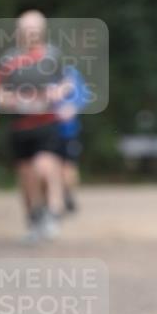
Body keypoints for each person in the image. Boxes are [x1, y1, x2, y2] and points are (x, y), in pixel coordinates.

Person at [0, 10, 72, 242]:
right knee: (27, 177)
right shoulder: (9, 60)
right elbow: (0, 93)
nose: (30, 34)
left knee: (44, 166)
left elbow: (68, 83)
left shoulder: (52, 56)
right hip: (21, 126)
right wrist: (11, 100)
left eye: (34, 29)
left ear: (41, 31)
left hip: (47, 124)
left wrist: (57, 93)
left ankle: (53, 209)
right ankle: (34, 219)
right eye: (25, 29)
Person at [56, 64, 90, 214]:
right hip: (45, 129)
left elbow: (83, 96)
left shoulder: (70, 72)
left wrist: (72, 108)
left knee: (68, 166)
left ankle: (68, 195)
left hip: (68, 130)